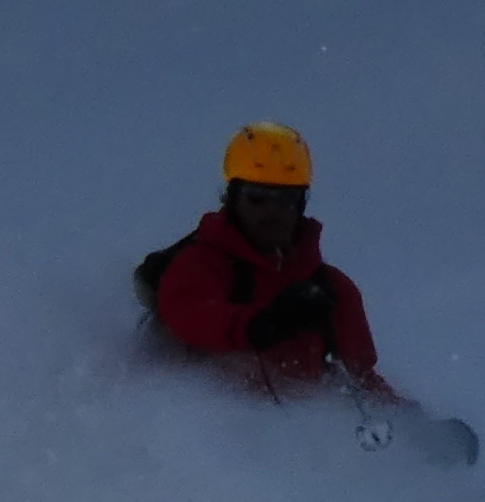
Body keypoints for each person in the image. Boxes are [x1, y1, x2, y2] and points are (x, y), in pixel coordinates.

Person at [152, 122, 399, 401]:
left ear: (301, 204)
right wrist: (260, 324)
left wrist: (416, 424)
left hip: (297, 425)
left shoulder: (332, 290)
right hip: (208, 421)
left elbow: (362, 381)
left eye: (285, 198)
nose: (272, 210)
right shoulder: (199, 266)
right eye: (257, 197)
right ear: (233, 199)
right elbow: (191, 316)